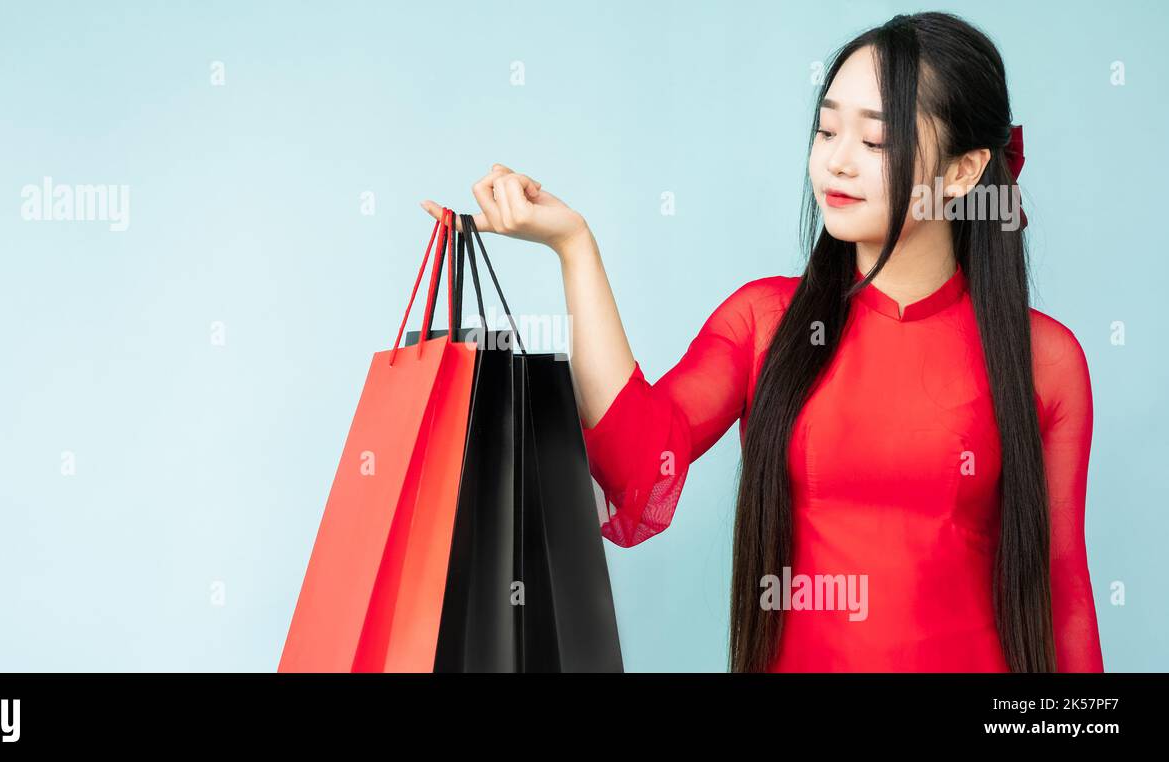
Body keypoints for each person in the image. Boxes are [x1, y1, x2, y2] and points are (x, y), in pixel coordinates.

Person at [420, 12, 1102, 673]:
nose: (836, 162)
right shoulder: (765, 323)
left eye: (873, 142)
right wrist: (575, 248)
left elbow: (1064, 593)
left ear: (961, 173)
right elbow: (636, 464)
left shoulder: (1044, 361)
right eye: (826, 129)